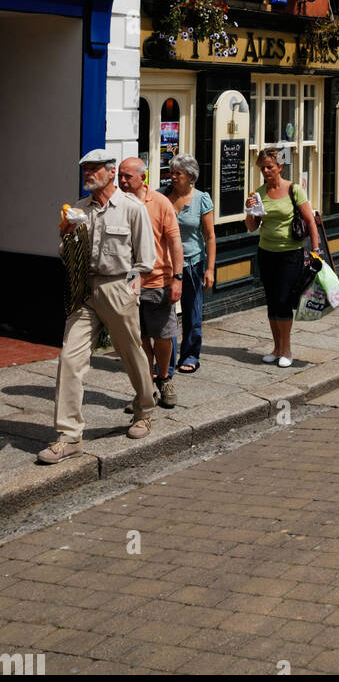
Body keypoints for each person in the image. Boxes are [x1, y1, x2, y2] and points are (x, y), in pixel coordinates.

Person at [38, 151, 158, 463]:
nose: (88, 174)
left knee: (131, 353)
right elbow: (68, 254)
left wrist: (131, 290)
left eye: (93, 169)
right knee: (70, 358)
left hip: (118, 287)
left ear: (110, 172)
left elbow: (145, 260)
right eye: (85, 170)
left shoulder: (132, 208)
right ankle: (69, 435)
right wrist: (65, 237)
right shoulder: (79, 208)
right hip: (85, 290)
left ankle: (144, 409)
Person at [118, 157, 183, 409]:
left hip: (158, 280)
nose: (122, 181)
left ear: (142, 178)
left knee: (163, 335)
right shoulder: (117, 203)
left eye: (128, 177)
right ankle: (146, 388)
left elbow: (175, 242)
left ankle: (164, 377)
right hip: (128, 283)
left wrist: (177, 278)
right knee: (139, 338)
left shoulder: (159, 203)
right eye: (120, 176)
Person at [245, 147, 319, 366]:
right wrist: (249, 210)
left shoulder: (294, 190)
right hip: (266, 252)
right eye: (263, 167)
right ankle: (276, 348)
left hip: (290, 253)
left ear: (279, 167)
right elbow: (252, 227)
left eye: (270, 167)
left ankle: (286, 351)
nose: (266, 171)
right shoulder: (258, 194)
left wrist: (315, 251)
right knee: (271, 301)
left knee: (284, 300)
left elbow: (310, 221)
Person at [164, 154, 215, 373]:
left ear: (191, 176)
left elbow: (210, 236)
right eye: (172, 172)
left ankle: (191, 354)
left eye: (178, 173)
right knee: (165, 315)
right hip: (165, 264)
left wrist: (210, 269)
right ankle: (166, 358)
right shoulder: (162, 196)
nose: (173, 177)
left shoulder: (201, 199)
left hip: (192, 263)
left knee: (192, 312)